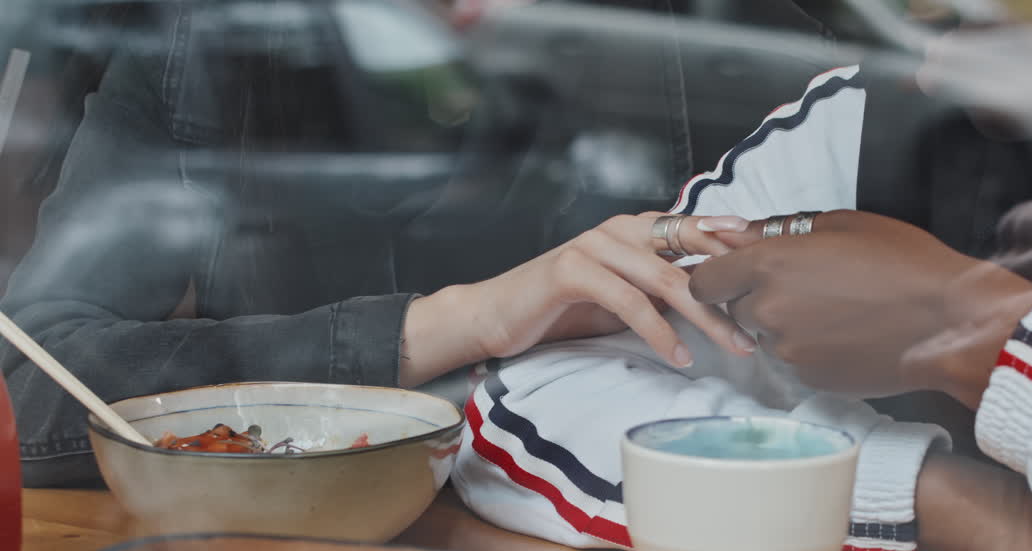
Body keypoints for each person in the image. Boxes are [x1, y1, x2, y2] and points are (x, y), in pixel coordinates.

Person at [453, 0, 1032, 551]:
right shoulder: (866, 126)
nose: (923, 63)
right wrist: (958, 503)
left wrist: (972, 332)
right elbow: (534, 408)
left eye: (968, 14)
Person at [0, 1, 757, 488]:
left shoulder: (707, 38)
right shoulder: (213, 40)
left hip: (638, 547)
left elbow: (807, 349)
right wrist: (454, 324)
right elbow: (32, 385)